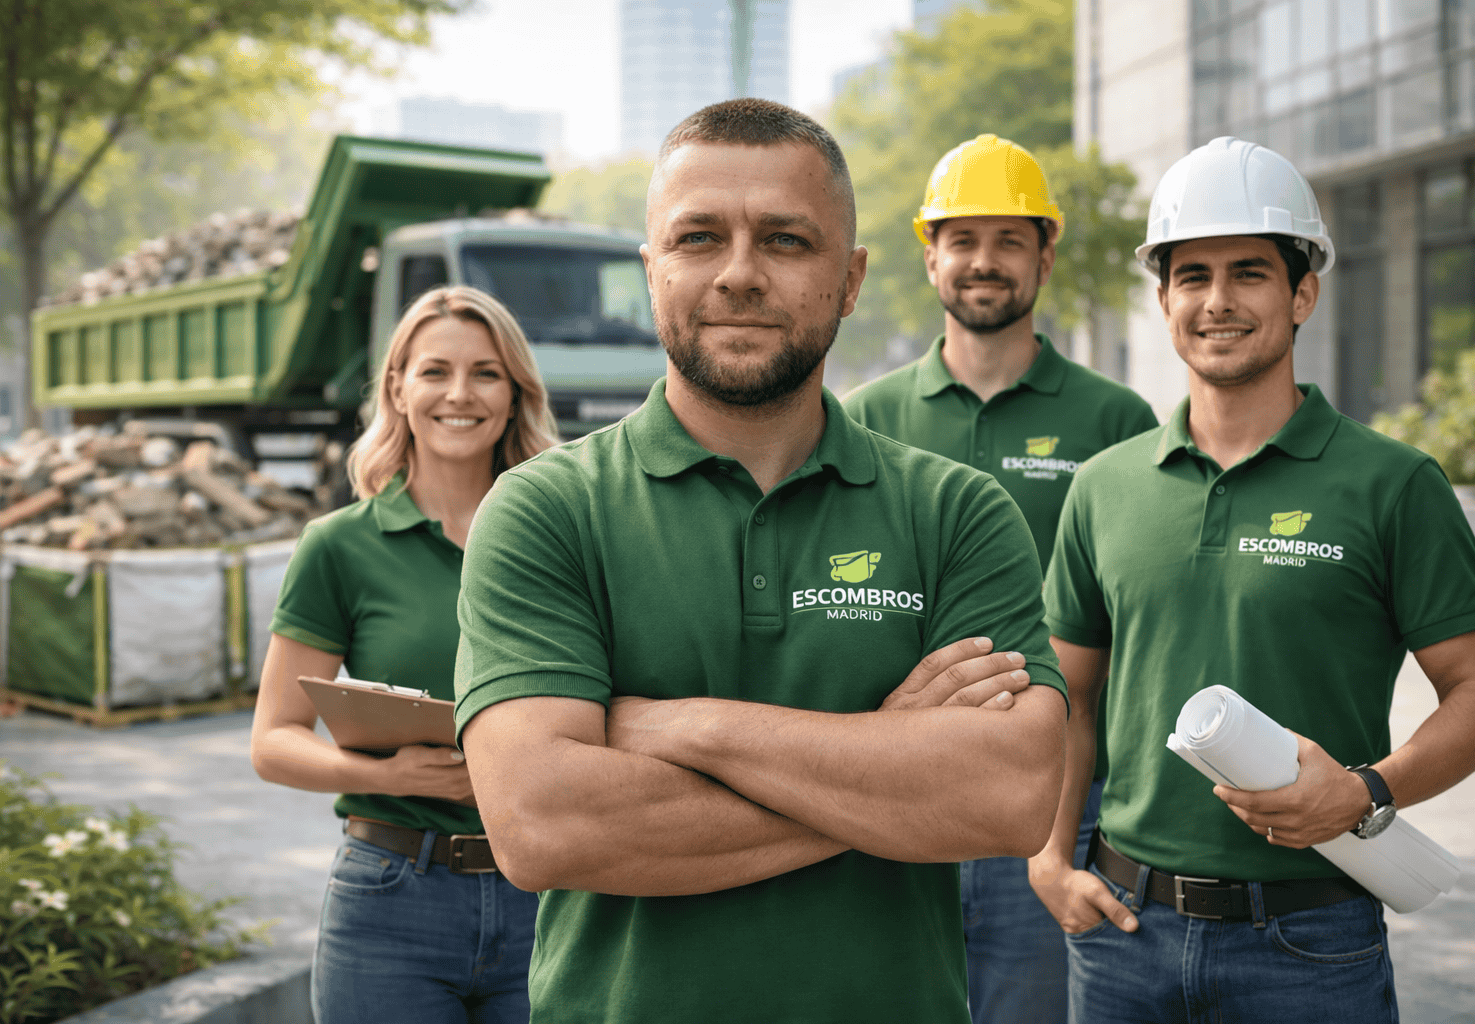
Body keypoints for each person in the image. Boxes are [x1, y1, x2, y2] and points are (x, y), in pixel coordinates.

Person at [454, 98, 1071, 1024]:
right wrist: (886, 761)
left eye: (786, 241)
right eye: (699, 238)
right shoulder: (548, 510)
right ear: (651, 269)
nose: (740, 275)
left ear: (852, 277)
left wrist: (688, 729)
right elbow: (542, 824)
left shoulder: (956, 512)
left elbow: (1010, 797)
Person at [1030, 136, 1475, 1024]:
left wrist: (1366, 790)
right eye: (1192, 276)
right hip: (1121, 937)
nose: (1217, 301)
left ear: (1303, 293)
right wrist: (1050, 857)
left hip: (1312, 943)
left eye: (1249, 272)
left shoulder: (1393, 484)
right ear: (1165, 299)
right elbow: (1067, 697)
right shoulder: (1103, 486)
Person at [843, 133, 1157, 1024]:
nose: (984, 261)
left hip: (1056, 800)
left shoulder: (1114, 418)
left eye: (1009, 240)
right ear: (930, 254)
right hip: (899, 794)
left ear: (1045, 254)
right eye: (963, 239)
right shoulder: (867, 422)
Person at [249, 285, 561, 1024]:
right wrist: (385, 772)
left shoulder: (561, 538)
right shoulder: (339, 547)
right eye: (434, 371)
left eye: (487, 373)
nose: (461, 393)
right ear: (397, 387)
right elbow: (273, 742)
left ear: (516, 394)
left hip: (545, 894)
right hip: (392, 904)